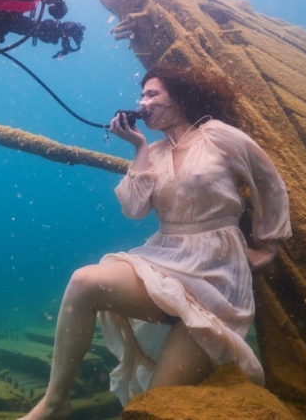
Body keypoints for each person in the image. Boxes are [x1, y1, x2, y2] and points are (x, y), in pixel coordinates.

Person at [20, 63, 292, 419]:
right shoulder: (155, 152)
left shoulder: (217, 135)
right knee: (84, 282)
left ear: (178, 98)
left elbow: (269, 181)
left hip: (217, 273)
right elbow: (134, 209)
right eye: (141, 95)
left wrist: (268, 245)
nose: (142, 102)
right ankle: (55, 402)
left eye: (152, 94)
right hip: (165, 258)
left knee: (156, 404)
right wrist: (138, 147)